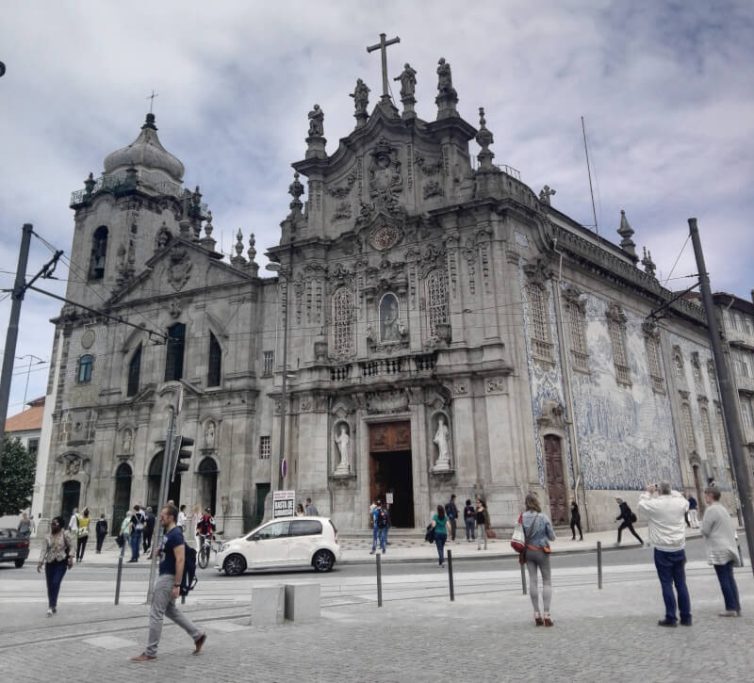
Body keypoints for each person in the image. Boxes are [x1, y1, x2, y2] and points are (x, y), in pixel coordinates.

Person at [130, 504, 206, 661]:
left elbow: (180, 559)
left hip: (168, 578)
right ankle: (197, 635)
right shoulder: (169, 533)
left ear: (171, 517)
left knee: (156, 613)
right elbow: (171, 553)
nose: (160, 518)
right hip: (167, 575)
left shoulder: (176, 534)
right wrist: (160, 551)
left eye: (163, 515)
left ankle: (150, 652)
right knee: (170, 610)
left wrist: (177, 585)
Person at [638, 482, 692, 627]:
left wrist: (649, 492)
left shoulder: (655, 505)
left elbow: (641, 505)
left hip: (662, 550)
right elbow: (684, 500)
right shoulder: (680, 503)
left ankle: (671, 617)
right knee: (681, 584)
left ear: (659, 491)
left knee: (666, 584)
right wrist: (669, 491)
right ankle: (686, 617)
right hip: (679, 548)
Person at [700, 486, 741, 617]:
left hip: (719, 549)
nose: (704, 497)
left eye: (706, 495)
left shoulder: (711, 510)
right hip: (729, 547)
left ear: (710, 495)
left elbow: (705, 530)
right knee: (730, 578)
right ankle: (736, 606)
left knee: (724, 579)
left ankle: (730, 608)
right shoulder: (723, 508)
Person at [522, 492, 556, 626]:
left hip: (528, 551)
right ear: (537, 502)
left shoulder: (522, 517)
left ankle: (536, 613)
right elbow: (552, 537)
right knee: (547, 581)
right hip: (542, 551)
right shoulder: (543, 517)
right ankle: (547, 614)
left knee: (533, 581)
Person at [37, 515, 73, 617]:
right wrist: (40, 562)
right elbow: (44, 549)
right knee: (50, 585)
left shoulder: (65, 534)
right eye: (52, 523)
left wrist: (70, 557)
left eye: (55, 524)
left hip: (61, 562)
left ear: (60, 525)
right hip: (50, 563)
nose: (52, 525)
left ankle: (51, 606)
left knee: (55, 583)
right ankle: (52, 605)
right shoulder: (47, 536)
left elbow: (72, 546)